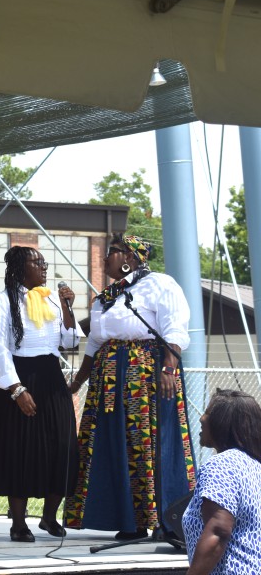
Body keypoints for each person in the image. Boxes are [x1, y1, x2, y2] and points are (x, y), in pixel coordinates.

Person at [64, 233, 196, 540]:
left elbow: (174, 328)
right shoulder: (105, 298)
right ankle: (130, 520)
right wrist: (78, 381)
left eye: (112, 252)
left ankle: (167, 521)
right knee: (114, 444)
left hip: (147, 375)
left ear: (130, 258)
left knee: (150, 444)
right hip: (108, 380)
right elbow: (94, 343)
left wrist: (168, 369)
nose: (105, 257)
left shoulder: (160, 284)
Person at [0, 246, 79, 542]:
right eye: (36, 262)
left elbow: (70, 341)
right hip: (19, 377)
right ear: (20, 268)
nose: (44, 266)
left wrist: (68, 307)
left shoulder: (54, 300)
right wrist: (16, 389)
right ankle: (19, 523)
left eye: (44, 262)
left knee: (63, 445)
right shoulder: (1, 303)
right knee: (20, 449)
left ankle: (49, 517)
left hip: (50, 374)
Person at [182, 389, 261, 574]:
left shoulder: (222, 464)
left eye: (208, 412)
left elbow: (218, 531)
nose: (201, 418)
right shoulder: (254, 466)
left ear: (222, 422)